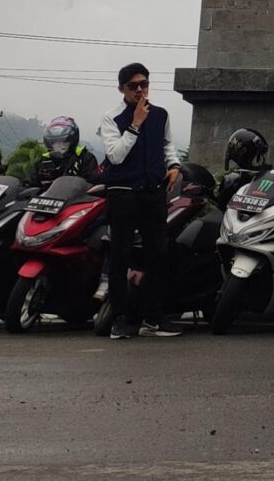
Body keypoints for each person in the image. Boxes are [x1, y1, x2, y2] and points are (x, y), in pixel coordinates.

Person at [93, 62, 178, 339]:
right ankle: (119, 318)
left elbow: (167, 144)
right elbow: (115, 155)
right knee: (121, 254)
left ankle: (153, 319)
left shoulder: (161, 114)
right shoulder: (111, 118)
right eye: (133, 86)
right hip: (123, 193)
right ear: (122, 89)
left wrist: (174, 165)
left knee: (158, 254)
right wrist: (135, 124)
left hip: (153, 192)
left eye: (144, 84)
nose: (140, 90)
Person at [27, 117, 100, 188]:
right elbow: (30, 185)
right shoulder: (42, 161)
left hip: (76, 196)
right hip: (47, 195)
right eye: (55, 142)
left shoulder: (85, 158)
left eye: (64, 141)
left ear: (72, 140)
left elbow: (92, 184)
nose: (60, 145)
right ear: (50, 143)